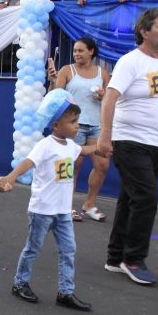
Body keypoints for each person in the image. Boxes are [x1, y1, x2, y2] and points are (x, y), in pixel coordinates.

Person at [96, 8, 158, 286]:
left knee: (131, 198)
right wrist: (106, 134)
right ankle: (134, 258)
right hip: (130, 141)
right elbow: (110, 97)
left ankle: (115, 257)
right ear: (144, 31)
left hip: (157, 144)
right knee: (147, 198)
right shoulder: (131, 62)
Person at [0, 89, 94, 311]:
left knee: (69, 250)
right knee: (33, 248)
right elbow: (28, 162)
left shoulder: (71, 146)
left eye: (77, 121)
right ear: (56, 125)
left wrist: (102, 147)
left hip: (63, 211)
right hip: (42, 210)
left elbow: (85, 151)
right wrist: (10, 177)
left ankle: (66, 291)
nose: (77, 125)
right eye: (73, 122)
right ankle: (19, 283)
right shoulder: (45, 145)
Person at [49, 38, 111, 222]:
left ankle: (89, 205)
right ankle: (66, 207)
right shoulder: (67, 70)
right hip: (73, 125)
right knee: (72, 166)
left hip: (96, 125)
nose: (76, 54)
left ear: (91, 51)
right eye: (75, 51)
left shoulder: (103, 72)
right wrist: (52, 80)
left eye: (81, 50)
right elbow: (55, 96)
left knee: (102, 165)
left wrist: (103, 97)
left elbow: (110, 100)